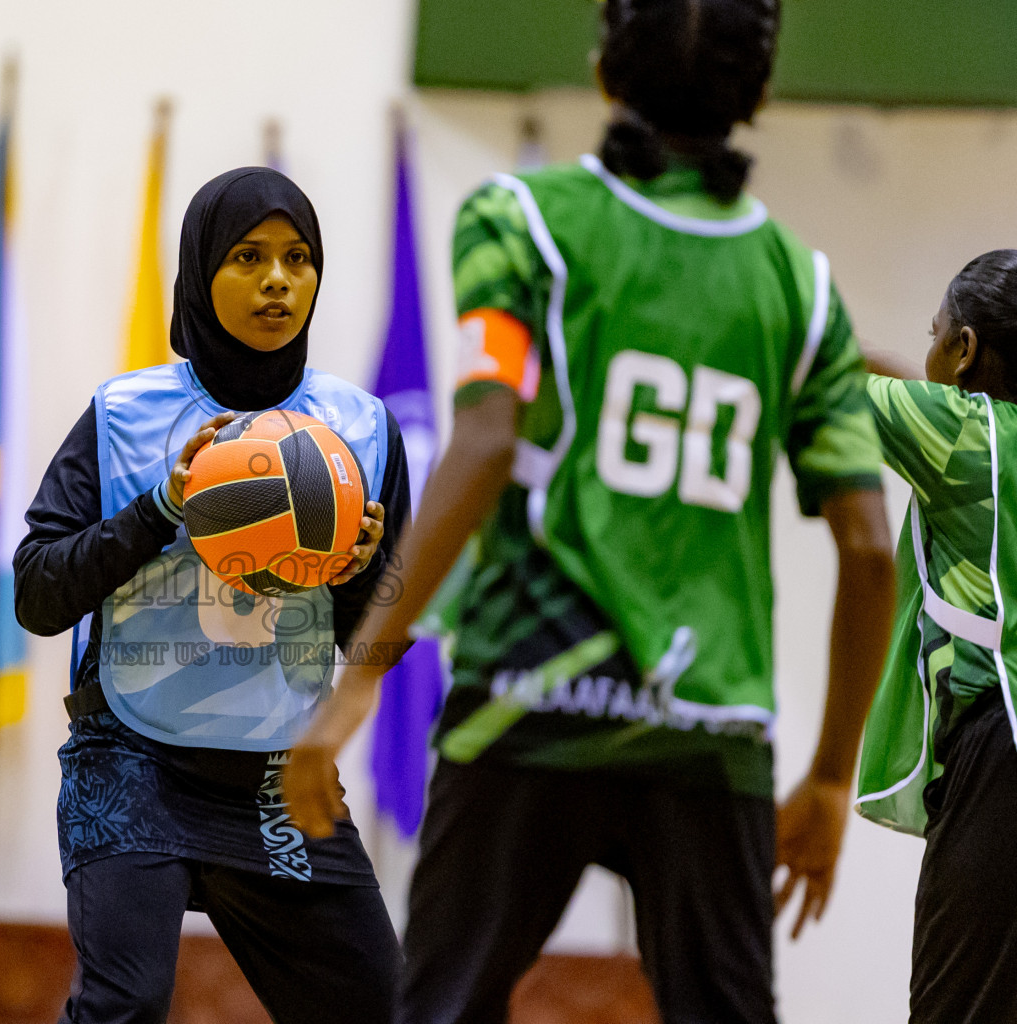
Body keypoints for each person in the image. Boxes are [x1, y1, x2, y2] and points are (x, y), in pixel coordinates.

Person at [284, 1, 898, 1021]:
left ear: (605, 72)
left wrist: (357, 681)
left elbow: (482, 441)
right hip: (710, 727)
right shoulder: (805, 285)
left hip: (530, 700)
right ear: (759, 95)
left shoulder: (521, 220)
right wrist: (832, 778)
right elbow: (870, 550)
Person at [14, 167, 410, 1024]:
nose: (278, 279)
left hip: (280, 780)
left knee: (385, 1010)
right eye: (248, 256)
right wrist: (161, 509)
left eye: (299, 257)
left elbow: (385, 645)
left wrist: (353, 578)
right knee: (127, 1004)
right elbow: (36, 595)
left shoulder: (360, 429)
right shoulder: (124, 412)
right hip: (132, 758)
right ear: (200, 271)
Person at [856, 251, 1017, 1024]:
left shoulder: (963, 436)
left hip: (1001, 750)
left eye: (935, 335)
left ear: (965, 350)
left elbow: (832, 388)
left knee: (955, 1008)